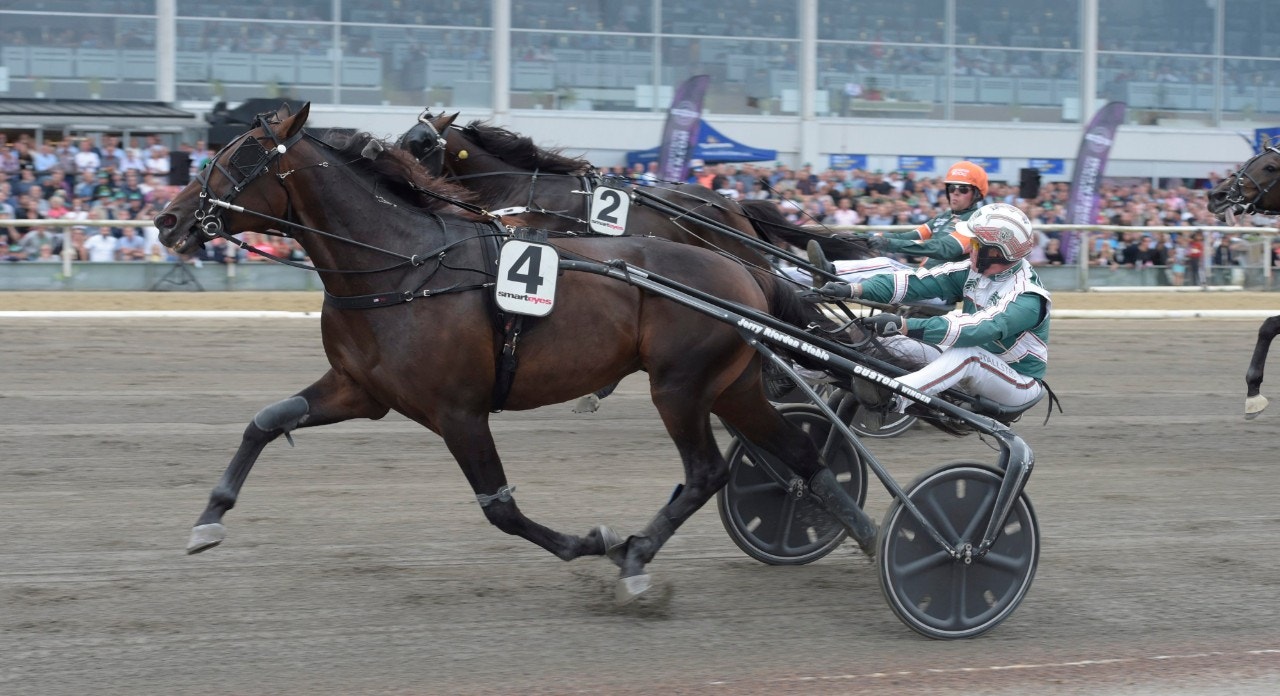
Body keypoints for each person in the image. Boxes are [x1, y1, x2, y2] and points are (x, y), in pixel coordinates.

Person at [809, 203, 1050, 426]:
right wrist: (852, 289)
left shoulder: (1028, 297)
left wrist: (904, 325)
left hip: (1018, 383)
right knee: (883, 341)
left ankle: (893, 398)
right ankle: (804, 369)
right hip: (971, 362)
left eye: (975, 245)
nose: (969, 249)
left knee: (967, 354)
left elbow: (975, 329)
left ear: (997, 252)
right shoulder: (973, 271)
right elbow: (914, 281)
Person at [799, 160, 990, 289]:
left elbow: (943, 249)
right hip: (921, 278)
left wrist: (890, 244)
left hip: (941, 286)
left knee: (886, 264)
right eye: (951, 187)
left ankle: (829, 271)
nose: (955, 193)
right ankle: (791, 274)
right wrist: (868, 239)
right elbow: (908, 237)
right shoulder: (942, 217)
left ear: (977, 194)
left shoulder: (976, 221)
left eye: (963, 189)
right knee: (876, 266)